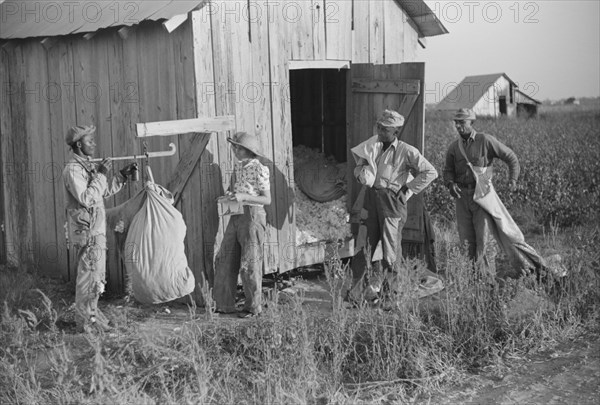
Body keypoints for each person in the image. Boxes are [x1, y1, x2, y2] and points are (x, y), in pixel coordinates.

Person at [347, 110, 438, 306]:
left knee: (390, 251)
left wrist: (408, 189)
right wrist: (360, 172)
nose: (380, 131)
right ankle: (358, 295)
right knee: (364, 246)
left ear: (395, 132)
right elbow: (360, 165)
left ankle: (392, 296)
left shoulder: (406, 151)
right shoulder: (372, 146)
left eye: (385, 129)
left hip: (391, 203)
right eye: (379, 127)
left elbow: (430, 172)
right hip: (371, 199)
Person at [443, 108, 544, 277]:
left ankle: (487, 280)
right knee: (466, 241)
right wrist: (450, 183)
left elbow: (511, 157)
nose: (458, 126)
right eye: (456, 123)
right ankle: (471, 279)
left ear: (471, 122)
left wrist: (512, 180)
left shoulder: (485, 140)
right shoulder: (454, 147)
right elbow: (448, 170)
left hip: (483, 195)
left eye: (462, 122)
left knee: (484, 238)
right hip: (462, 197)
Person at [63, 125, 137, 333]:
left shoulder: (86, 166)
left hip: (95, 230)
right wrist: (102, 174)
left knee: (96, 277)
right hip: (87, 233)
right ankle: (86, 323)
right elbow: (86, 198)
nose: (94, 144)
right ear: (79, 144)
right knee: (88, 278)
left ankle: (93, 316)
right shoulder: (74, 170)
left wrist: (120, 177)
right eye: (90, 141)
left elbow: (99, 193)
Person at [213, 131, 271, 318]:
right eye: (233, 146)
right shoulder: (239, 168)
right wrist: (229, 197)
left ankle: (254, 308)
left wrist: (243, 197)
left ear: (247, 150)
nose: (233, 150)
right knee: (226, 257)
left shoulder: (259, 168)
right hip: (237, 214)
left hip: (253, 216)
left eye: (236, 147)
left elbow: (266, 199)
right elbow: (237, 191)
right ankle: (224, 304)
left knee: (250, 262)